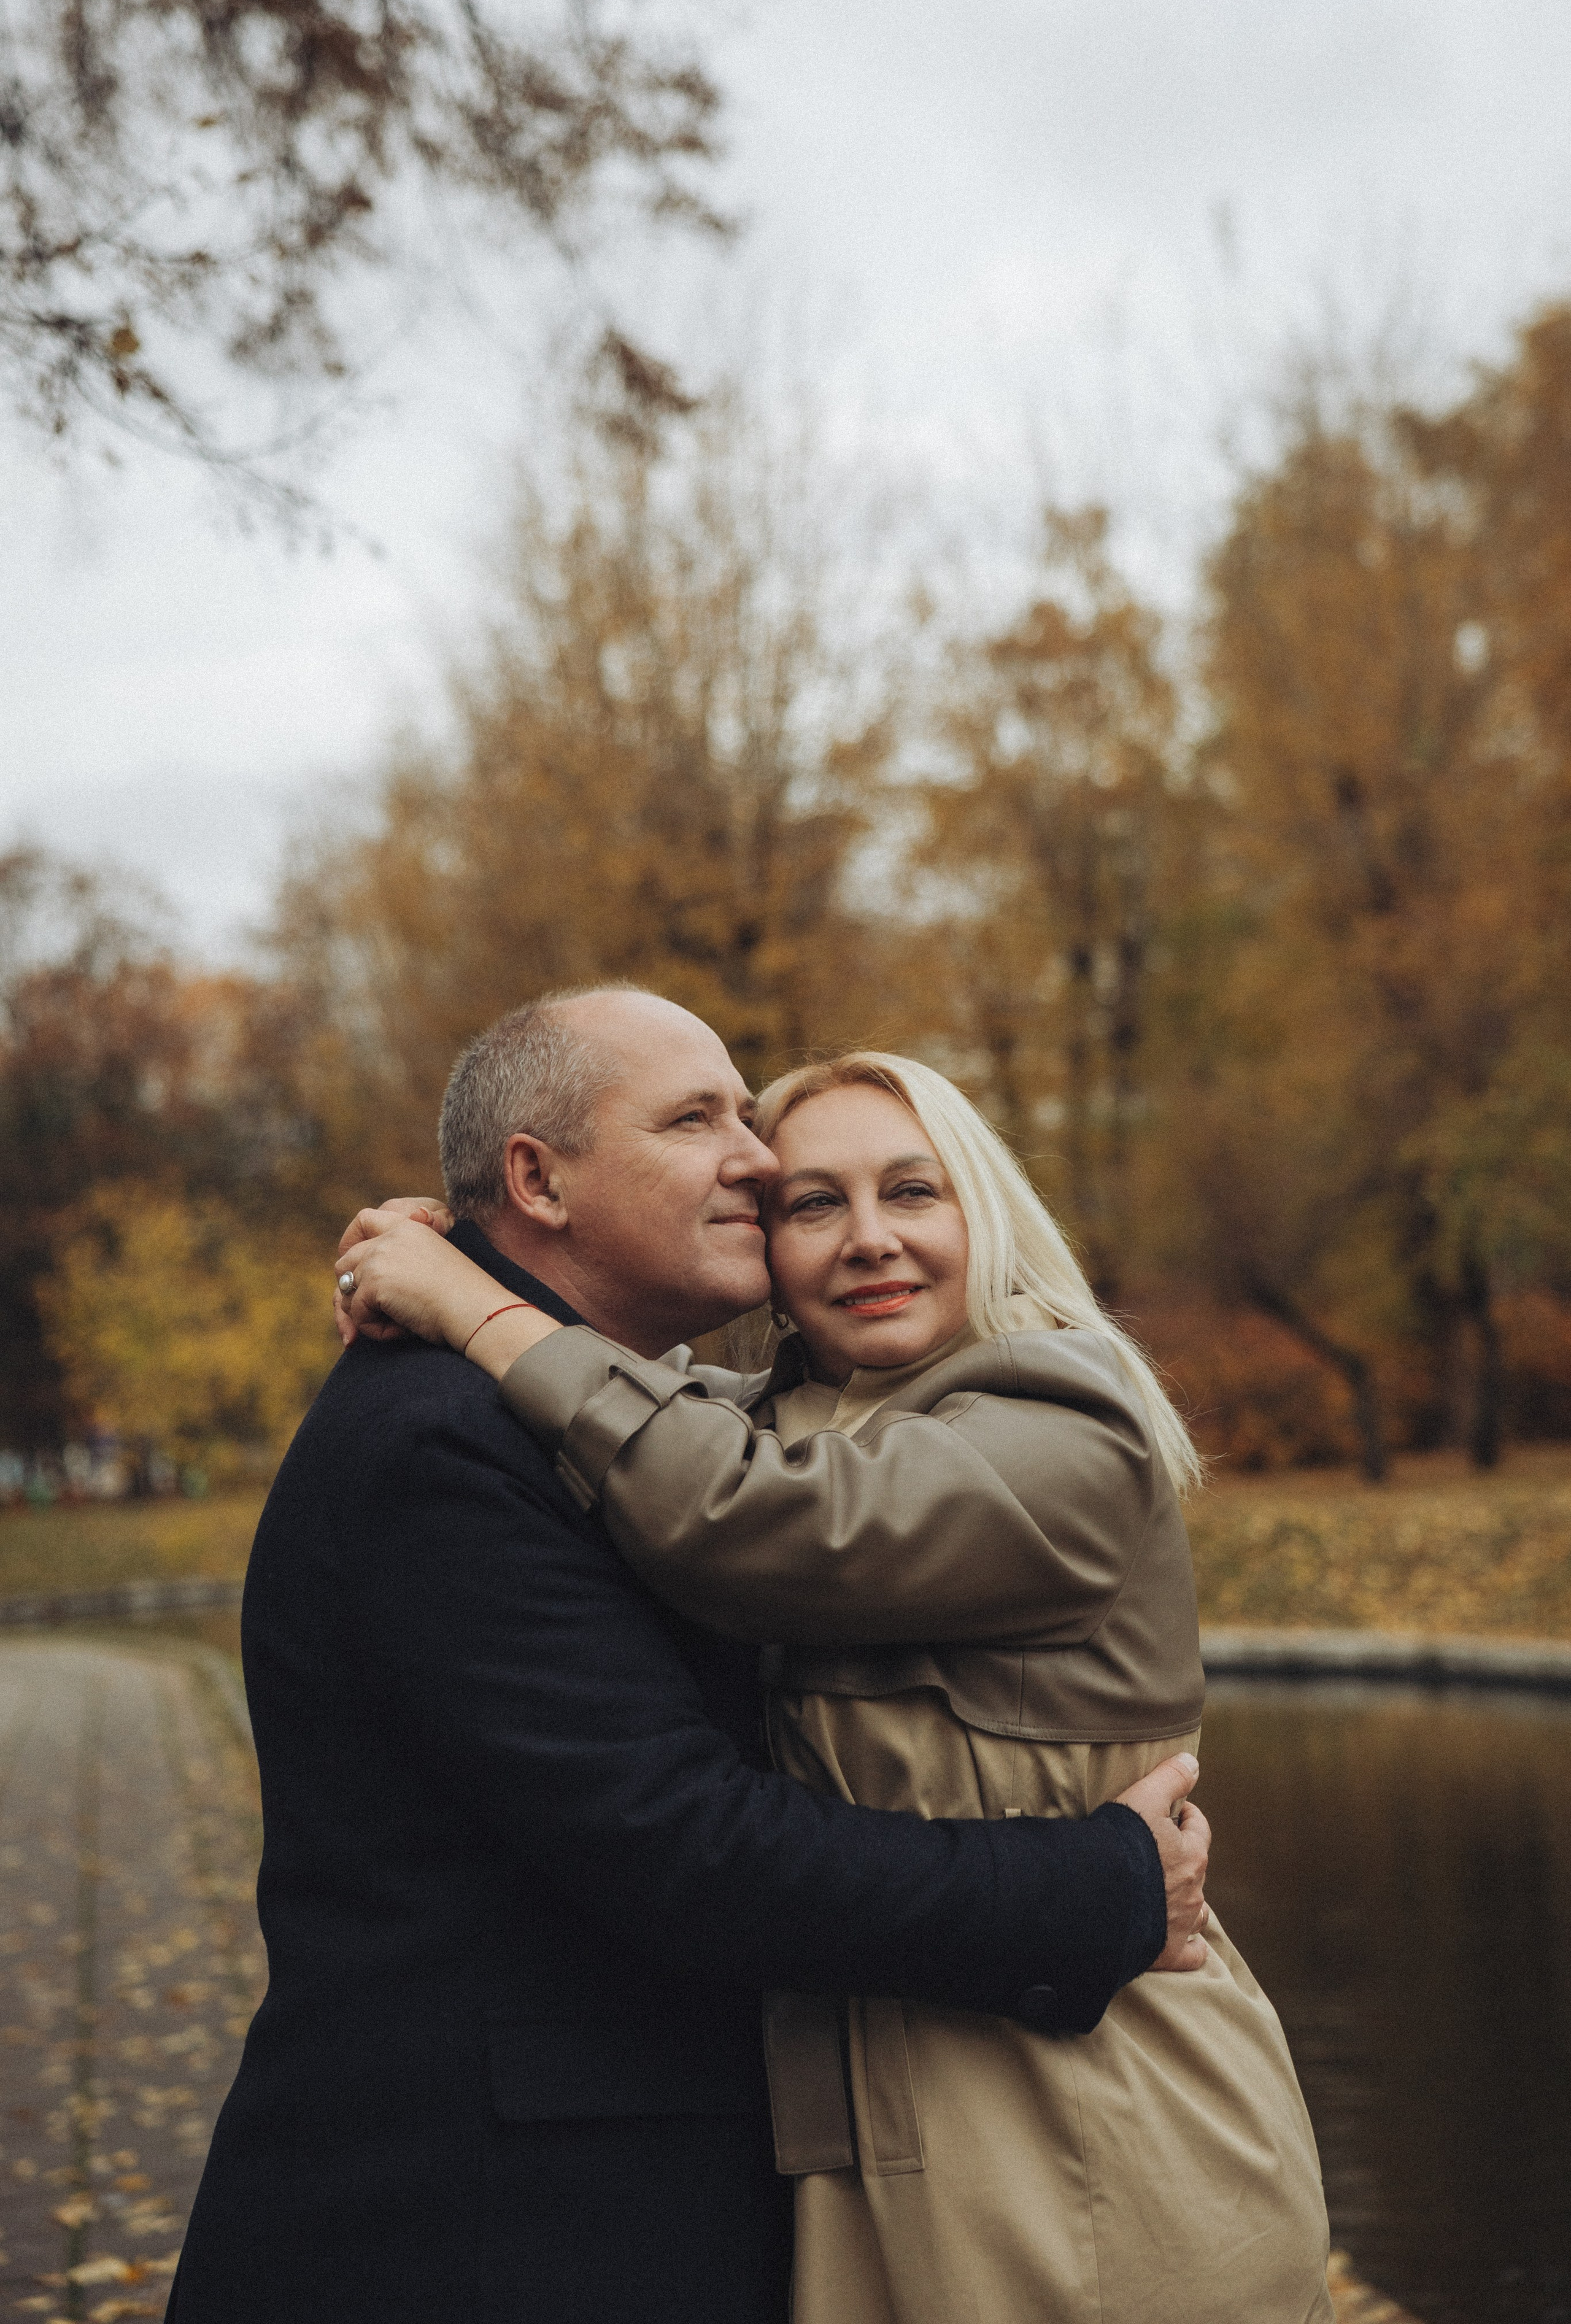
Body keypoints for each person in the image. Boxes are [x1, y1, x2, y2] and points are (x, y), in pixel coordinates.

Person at [168, 989, 1209, 2324]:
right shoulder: (444, 1445)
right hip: (476, 2238)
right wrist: (1094, 1885)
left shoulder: (599, 1413)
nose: (757, 1161)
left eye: (746, 1116)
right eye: (695, 1118)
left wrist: (465, 1281)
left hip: (630, 2204)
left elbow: (736, 1476)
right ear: (536, 1178)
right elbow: (686, 1846)